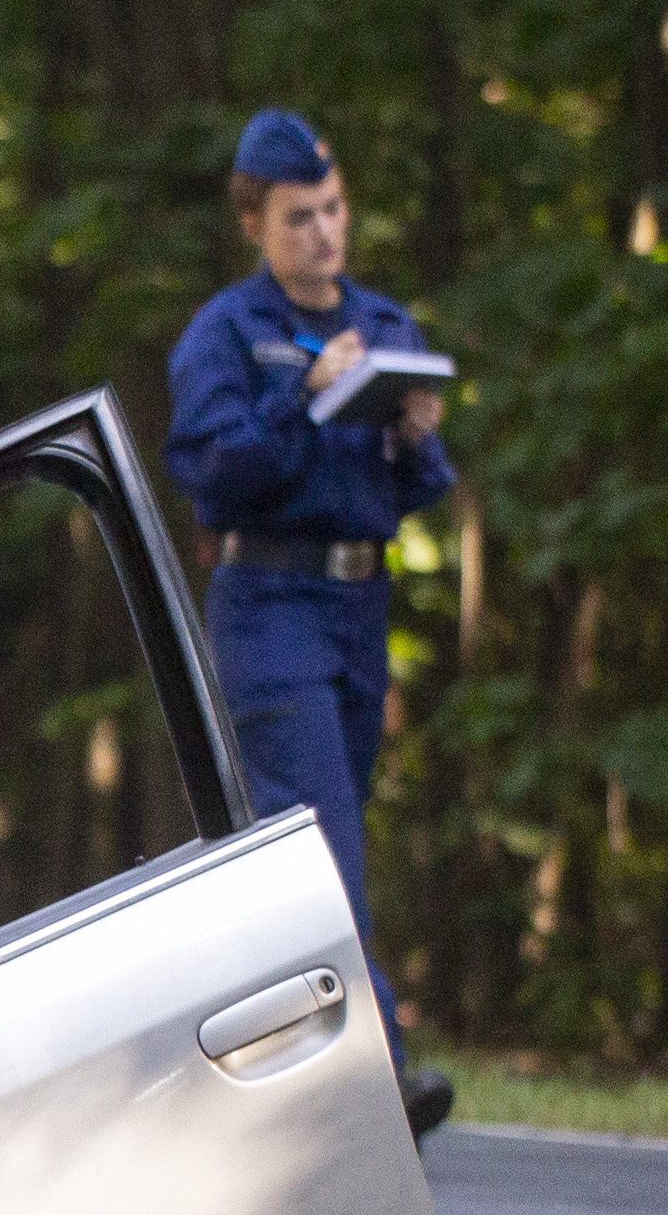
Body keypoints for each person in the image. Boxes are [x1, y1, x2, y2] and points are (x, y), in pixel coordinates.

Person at [167, 107, 455, 1138]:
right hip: (266, 601)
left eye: (331, 210)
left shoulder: (381, 325)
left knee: (323, 839)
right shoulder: (226, 335)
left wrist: (414, 436)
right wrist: (309, 397)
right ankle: (380, 1065)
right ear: (252, 221)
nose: (322, 233)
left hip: (356, 602)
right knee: (318, 837)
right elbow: (212, 469)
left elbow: (418, 489)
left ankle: (268, 1056)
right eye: (298, 217)